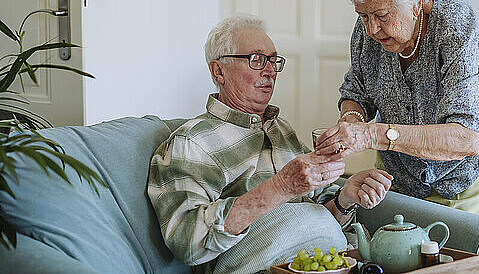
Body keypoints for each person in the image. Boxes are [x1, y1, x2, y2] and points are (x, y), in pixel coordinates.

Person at [147, 15, 393, 274]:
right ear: (218, 71)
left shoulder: (281, 129)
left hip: (332, 262)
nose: (269, 70)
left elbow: (321, 216)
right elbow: (187, 241)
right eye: (256, 60)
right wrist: (281, 186)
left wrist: (346, 197)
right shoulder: (193, 142)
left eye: (273, 60)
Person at [313, 0, 479, 217]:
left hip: (461, 165)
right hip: (398, 159)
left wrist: (371, 134)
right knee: (392, 239)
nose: (371, 28)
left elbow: (467, 138)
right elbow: (356, 91)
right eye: (363, 16)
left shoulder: (454, 26)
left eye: (381, 15)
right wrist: (352, 120)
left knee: (454, 247)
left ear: (416, 3)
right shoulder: (369, 27)